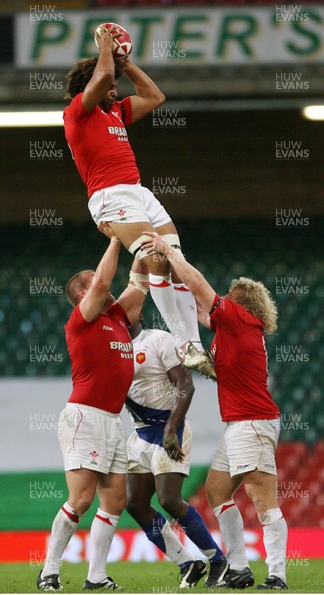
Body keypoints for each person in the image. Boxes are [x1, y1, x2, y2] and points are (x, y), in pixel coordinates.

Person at [63, 26, 215, 381]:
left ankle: (192, 344)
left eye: (117, 84)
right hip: (110, 196)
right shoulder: (77, 113)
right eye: (112, 84)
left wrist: (127, 64)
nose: (116, 88)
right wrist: (104, 50)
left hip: (139, 192)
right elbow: (100, 77)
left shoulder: (115, 111)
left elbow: (155, 96)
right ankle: (184, 343)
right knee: (155, 258)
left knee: (175, 260)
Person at [141, 232, 288, 590]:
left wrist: (169, 253)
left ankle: (277, 575)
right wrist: (172, 281)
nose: (221, 300)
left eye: (229, 297)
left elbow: (200, 287)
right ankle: (238, 567)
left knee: (262, 498)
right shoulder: (235, 328)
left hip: (252, 422)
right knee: (217, 491)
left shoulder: (238, 319)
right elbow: (197, 308)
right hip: (242, 424)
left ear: (242, 303)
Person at [37, 226, 149, 591]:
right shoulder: (81, 320)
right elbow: (103, 281)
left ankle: (96, 577)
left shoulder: (116, 318)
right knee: (82, 498)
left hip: (113, 420)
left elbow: (140, 284)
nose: (108, 288)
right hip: (85, 415)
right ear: (83, 293)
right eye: (96, 284)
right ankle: (49, 571)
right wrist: (116, 237)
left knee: (114, 500)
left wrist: (144, 242)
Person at [125, 316, 228, 588]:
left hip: (169, 428)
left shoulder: (159, 339)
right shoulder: (113, 349)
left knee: (169, 499)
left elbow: (186, 385)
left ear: (141, 314)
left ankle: (218, 560)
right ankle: (187, 563)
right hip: (138, 433)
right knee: (134, 503)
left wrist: (171, 430)